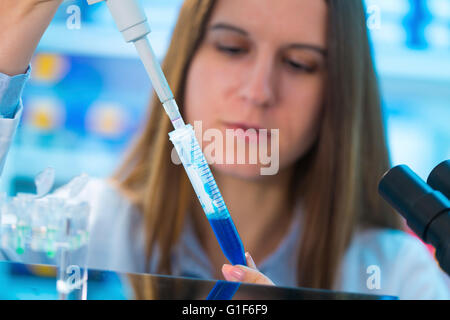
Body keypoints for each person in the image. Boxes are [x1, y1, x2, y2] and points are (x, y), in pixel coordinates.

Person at [0, 0, 448, 299]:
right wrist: (9, 41)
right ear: (185, 60)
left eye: (299, 63)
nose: (258, 90)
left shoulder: (399, 275)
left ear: (340, 95)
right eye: (232, 47)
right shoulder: (92, 223)